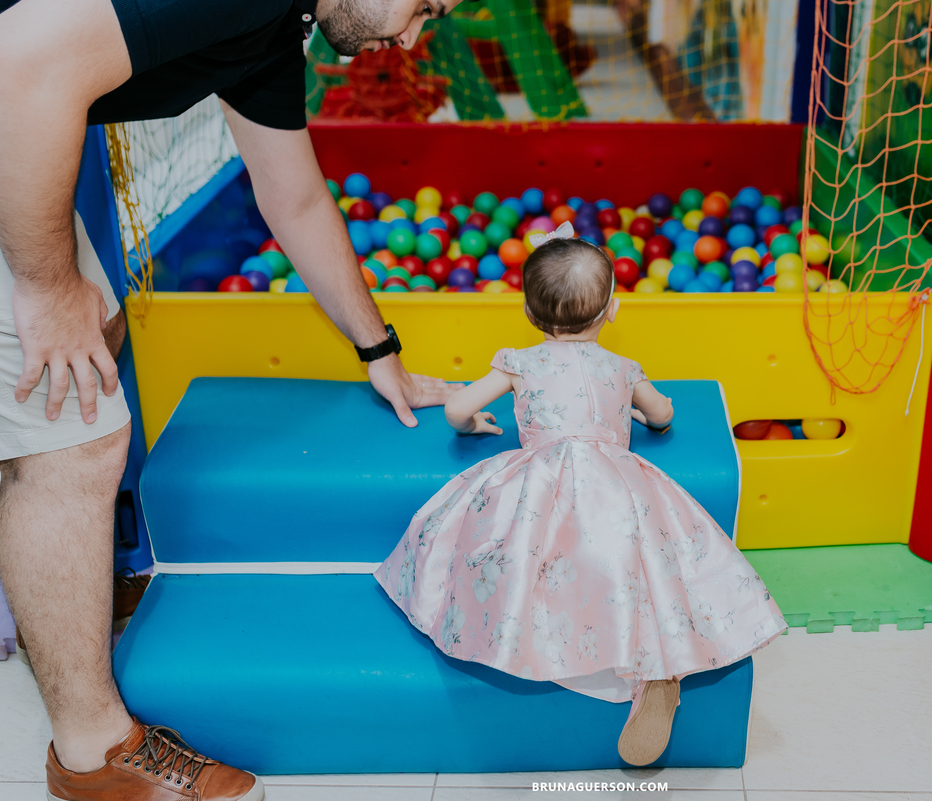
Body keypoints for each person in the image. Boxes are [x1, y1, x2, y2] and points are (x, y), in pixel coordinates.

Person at [0, 0, 467, 797]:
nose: (411, 38)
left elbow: (295, 197)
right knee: (73, 432)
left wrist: (379, 351)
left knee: (89, 349)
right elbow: (20, 62)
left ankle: (62, 599)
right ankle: (91, 749)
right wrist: (46, 288)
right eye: (423, 6)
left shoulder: (275, 28)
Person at [374, 225, 788, 766]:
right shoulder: (622, 368)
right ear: (612, 310)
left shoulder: (518, 361)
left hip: (541, 482)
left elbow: (455, 409)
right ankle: (655, 667)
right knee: (641, 565)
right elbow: (663, 414)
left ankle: (540, 640)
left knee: (516, 551)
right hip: (615, 486)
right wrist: (643, 414)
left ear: (528, 312)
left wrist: (472, 423)